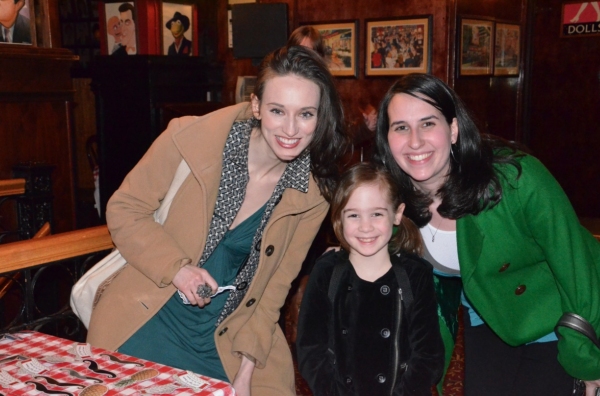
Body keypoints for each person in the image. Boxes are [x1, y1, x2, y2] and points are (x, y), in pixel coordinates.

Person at [86, 46, 348, 396]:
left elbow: (274, 291)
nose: (290, 129)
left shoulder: (313, 191)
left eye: (305, 114)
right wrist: (178, 268)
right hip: (150, 315)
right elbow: (124, 208)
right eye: (276, 110)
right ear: (256, 106)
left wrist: (246, 369)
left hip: (229, 335)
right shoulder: (190, 138)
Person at [373, 73, 600, 395]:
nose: (414, 141)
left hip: (557, 318)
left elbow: (579, 268)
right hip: (488, 317)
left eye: (428, 123)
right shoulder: (391, 202)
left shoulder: (516, 180)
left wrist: (588, 358)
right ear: (386, 137)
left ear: (452, 130)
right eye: (401, 127)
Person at [296, 162, 444, 395]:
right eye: (353, 215)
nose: (366, 227)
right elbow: (311, 350)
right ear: (338, 219)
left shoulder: (415, 274)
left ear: (397, 214)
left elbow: (428, 355)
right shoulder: (327, 272)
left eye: (376, 214)